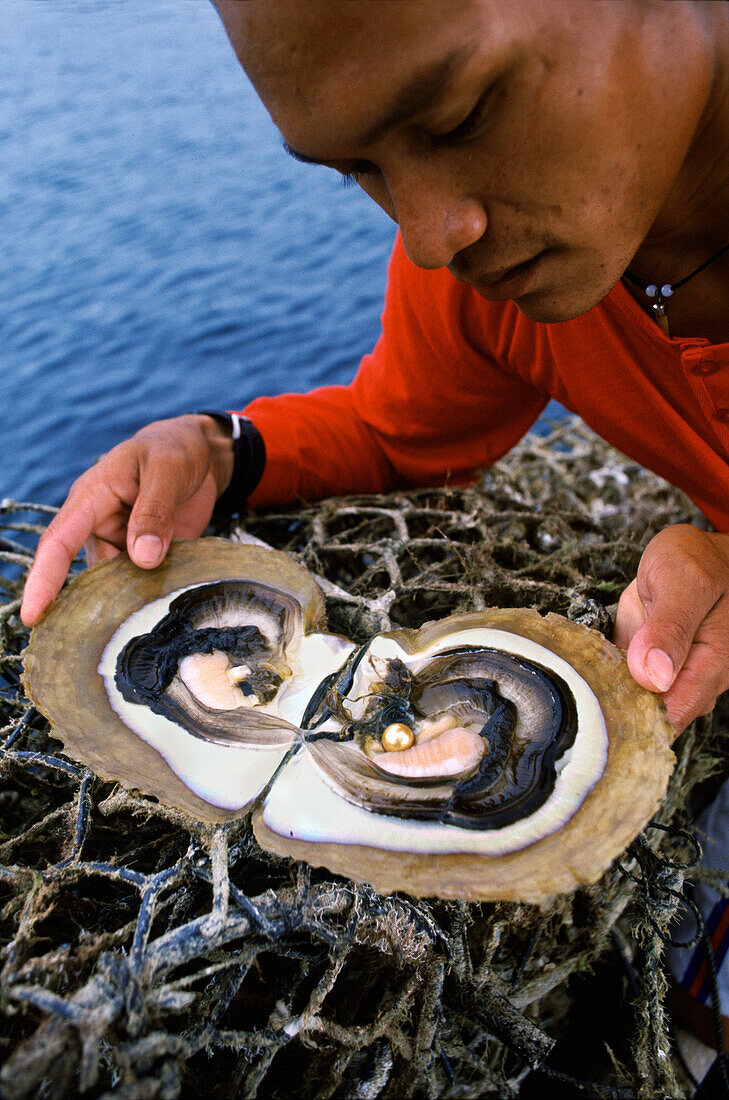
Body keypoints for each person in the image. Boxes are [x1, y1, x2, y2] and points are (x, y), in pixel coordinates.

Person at [17, 0, 729, 1068]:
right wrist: (224, 449)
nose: (434, 230)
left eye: (461, 113)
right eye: (362, 168)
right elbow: (402, 428)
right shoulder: (507, 280)